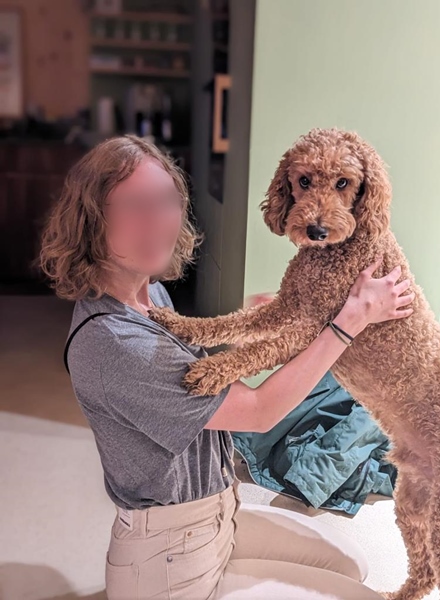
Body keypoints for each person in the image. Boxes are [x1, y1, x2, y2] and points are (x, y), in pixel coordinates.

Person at [39, 135, 414, 600]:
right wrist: (349, 322)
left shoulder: (149, 295)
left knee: (352, 563)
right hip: (170, 557)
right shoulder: (114, 343)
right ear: (91, 218)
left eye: (167, 201)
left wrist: (255, 327)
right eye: (135, 205)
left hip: (219, 515)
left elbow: (187, 378)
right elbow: (257, 412)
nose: (158, 220)